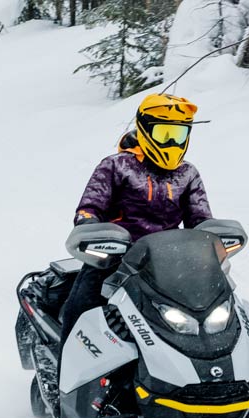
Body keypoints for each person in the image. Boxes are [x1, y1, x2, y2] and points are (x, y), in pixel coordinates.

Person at [59, 93, 214, 344]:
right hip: (114, 260)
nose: (173, 143)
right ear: (145, 130)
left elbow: (201, 220)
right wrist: (90, 227)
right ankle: (64, 374)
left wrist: (211, 239)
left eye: (179, 135)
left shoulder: (187, 174)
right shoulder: (117, 166)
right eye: (165, 135)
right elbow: (90, 207)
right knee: (82, 307)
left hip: (168, 265)